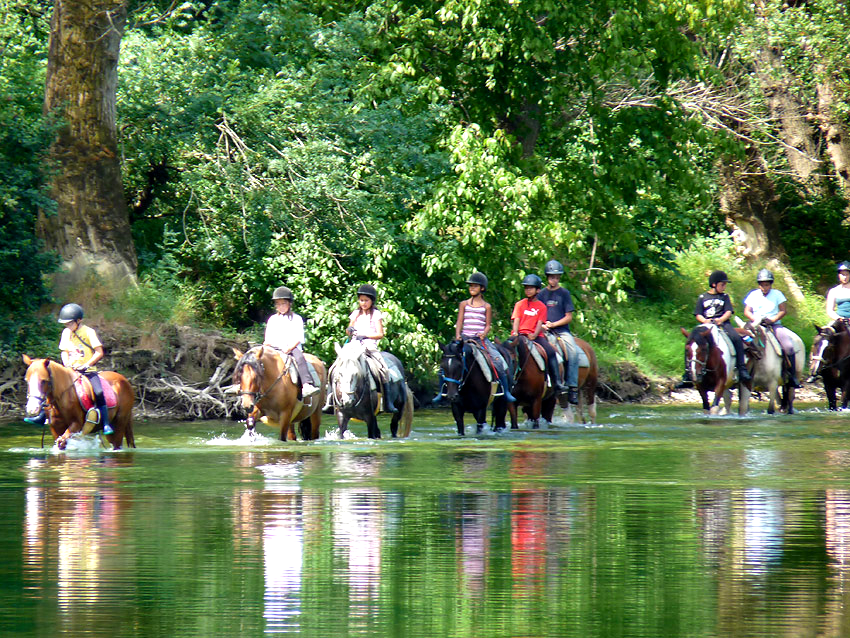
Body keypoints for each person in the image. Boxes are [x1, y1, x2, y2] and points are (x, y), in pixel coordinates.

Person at [680, 270, 752, 386]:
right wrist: (705, 320)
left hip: (723, 324)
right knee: (690, 343)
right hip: (706, 324)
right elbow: (698, 314)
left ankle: (742, 369)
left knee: (736, 338)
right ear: (714, 284)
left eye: (725, 285)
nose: (724, 287)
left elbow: (728, 312)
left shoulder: (725, 297)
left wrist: (720, 320)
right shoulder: (703, 297)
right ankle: (687, 374)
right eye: (722, 284)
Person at [454, 272, 516, 402]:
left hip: (479, 339)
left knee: (498, 360)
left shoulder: (486, 306)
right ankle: (444, 390)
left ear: (482, 288)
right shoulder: (464, 304)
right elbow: (459, 322)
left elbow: (488, 325)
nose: (471, 288)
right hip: (465, 338)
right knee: (449, 358)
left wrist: (484, 333)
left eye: (475, 286)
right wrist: (458, 335)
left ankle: (505, 391)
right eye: (470, 286)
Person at [57, 303, 113, 434]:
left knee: (98, 392)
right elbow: (64, 351)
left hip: (87, 371)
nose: (68, 326)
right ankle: (43, 415)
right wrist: (66, 364)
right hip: (70, 371)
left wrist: (86, 365)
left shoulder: (88, 332)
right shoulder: (66, 333)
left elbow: (99, 352)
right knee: (52, 385)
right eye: (66, 324)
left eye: (70, 323)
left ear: (79, 320)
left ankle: (105, 423)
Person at [743, 268, 802, 388]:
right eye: (762, 285)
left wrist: (773, 320)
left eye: (767, 284)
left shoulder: (777, 294)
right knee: (743, 341)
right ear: (759, 285)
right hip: (756, 324)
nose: (764, 287)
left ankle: (792, 376)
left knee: (788, 346)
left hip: (773, 324)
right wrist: (755, 319)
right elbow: (747, 311)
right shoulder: (753, 295)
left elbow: (783, 310)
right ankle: (740, 371)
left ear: (770, 284)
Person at [511, 274, 568, 394]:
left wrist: (534, 334)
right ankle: (503, 382)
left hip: (536, 337)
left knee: (551, 352)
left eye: (531, 288)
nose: (528, 290)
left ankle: (557, 382)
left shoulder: (541, 306)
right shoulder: (519, 304)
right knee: (505, 350)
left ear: (537, 290)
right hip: (519, 335)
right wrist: (515, 333)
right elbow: (516, 319)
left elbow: (539, 323)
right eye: (526, 288)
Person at [347, 284, 398, 413]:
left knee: (383, 369)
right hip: (354, 345)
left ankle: (388, 401)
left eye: (366, 300)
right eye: (361, 300)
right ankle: (331, 400)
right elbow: (349, 330)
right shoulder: (355, 313)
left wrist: (365, 336)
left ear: (372, 301)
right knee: (338, 365)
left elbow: (380, 334)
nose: (363, 303)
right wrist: (349, 330)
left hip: (369, 346)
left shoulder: (376, 314)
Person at [263, 286, 319, 398]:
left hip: (291, 348)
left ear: (289, 304)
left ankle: (306, 384)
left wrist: (288, 348)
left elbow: (298, 338)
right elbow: (268, 338)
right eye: (278, 304)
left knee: (300, 359)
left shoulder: (296, 318)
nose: (281, 306)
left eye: (283, 303)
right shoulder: (273, 319)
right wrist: (265, 345)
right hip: (274, 348)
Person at [538, 259, 580, 405]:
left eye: (556, 277)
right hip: (544, 330)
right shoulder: (541, 294)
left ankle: (572, 386)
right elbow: (537, 313)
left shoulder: (564, 293)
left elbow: (569, 317)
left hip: (561, 331)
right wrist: (542, 325)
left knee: (573, 352)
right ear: (547, 277)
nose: (554, 279)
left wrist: (553, 324)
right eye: (551, 277)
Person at [825, 261, 850, 329]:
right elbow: (830, 310)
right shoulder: (834, 291)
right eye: (842, 274)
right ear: (839, 275)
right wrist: (839, 318)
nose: (845, 277)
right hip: (839, 321)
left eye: (847, 274)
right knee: (825, 334)